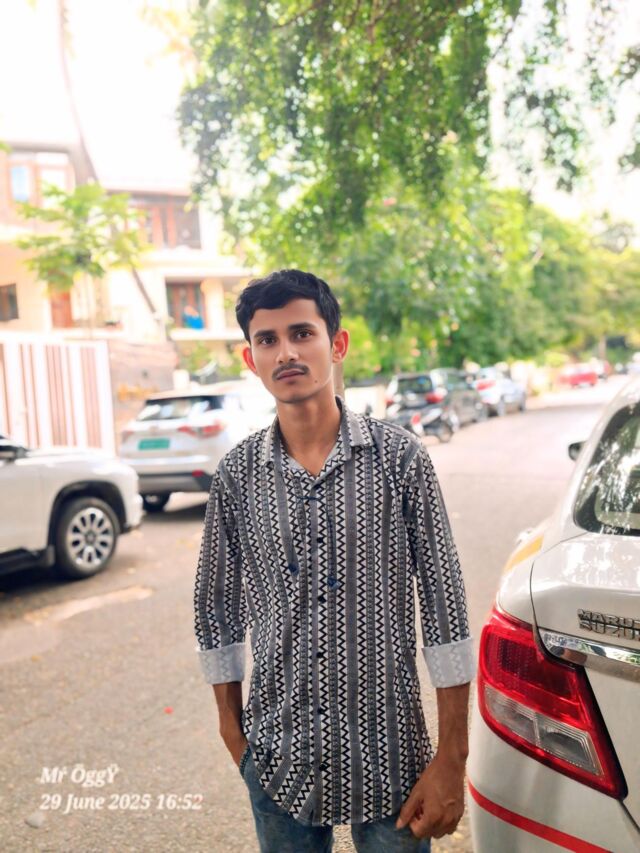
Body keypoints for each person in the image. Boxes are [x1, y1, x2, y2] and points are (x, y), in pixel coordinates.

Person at [193, 269, 475, 853]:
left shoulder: (400, 459)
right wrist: (232, 730)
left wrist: (453, 754)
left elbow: (444, 607)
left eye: (302, 333)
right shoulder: (237, 476)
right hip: (279, 759)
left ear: (336, 344)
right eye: (268, 340)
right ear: (251, 359)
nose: (286, 353)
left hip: (392, 756)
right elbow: (215, 605)